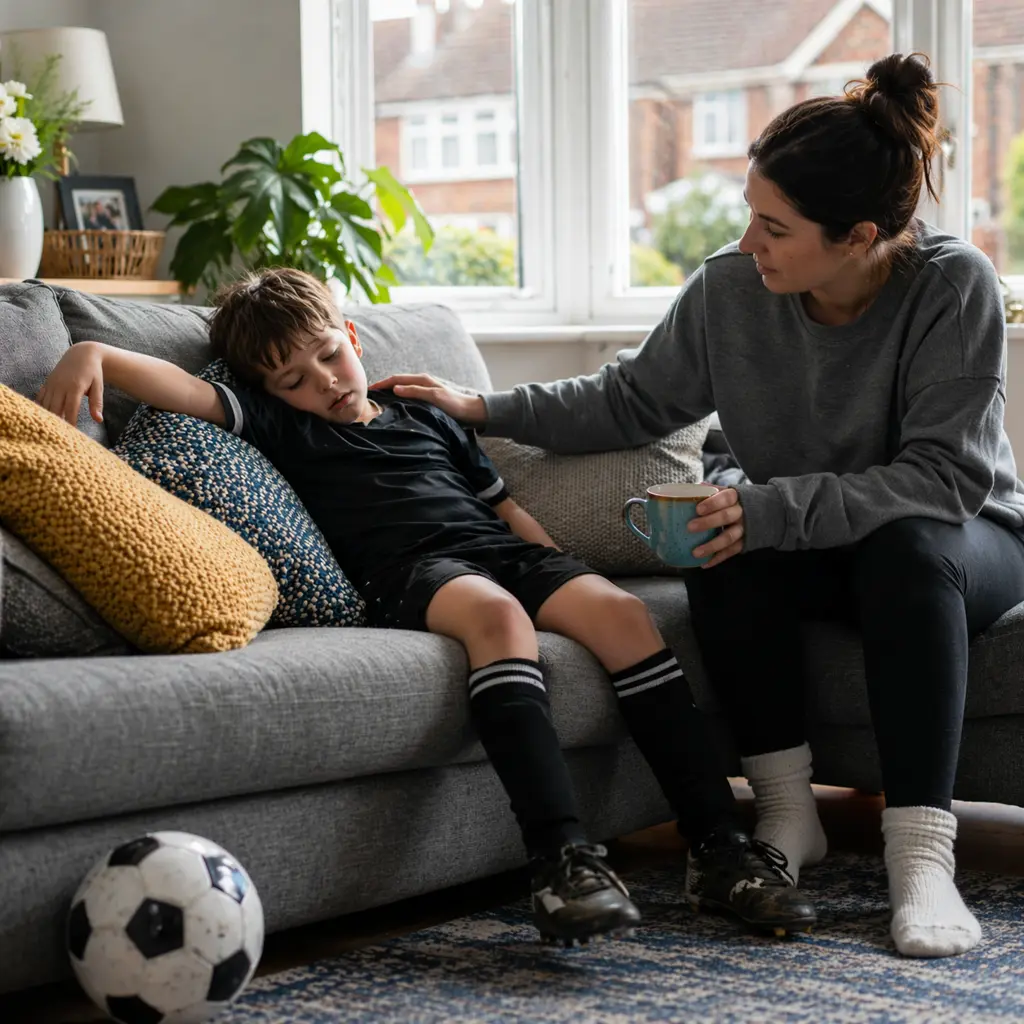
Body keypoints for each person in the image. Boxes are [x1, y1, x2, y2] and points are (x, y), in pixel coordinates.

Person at [373, 53, 1024, 960]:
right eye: (748, 215)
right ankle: (789, 819)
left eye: (774, 227)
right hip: (816, 544)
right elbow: (631, 400)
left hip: (964, 543)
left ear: (860, 234)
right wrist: (485, 407)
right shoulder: (731, 287)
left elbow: (943, 482)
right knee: (715, 538)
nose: (747, 243)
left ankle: (921, 857)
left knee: (901, 551)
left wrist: (769, 510)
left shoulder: (954, 286)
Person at [36, 268, 816, 949]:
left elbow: (503, 507)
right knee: (500, 620)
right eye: (295, 380)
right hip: (411, 572)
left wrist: (556, 569)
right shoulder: (285, 426)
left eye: (329, 356)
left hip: (502, 550)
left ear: (351, 335)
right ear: (269, 395)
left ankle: (717, 847)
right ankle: (560, 860)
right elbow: (186, 391)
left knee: (625, 617)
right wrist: (92, 351)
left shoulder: (426, 416)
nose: (325, 383)